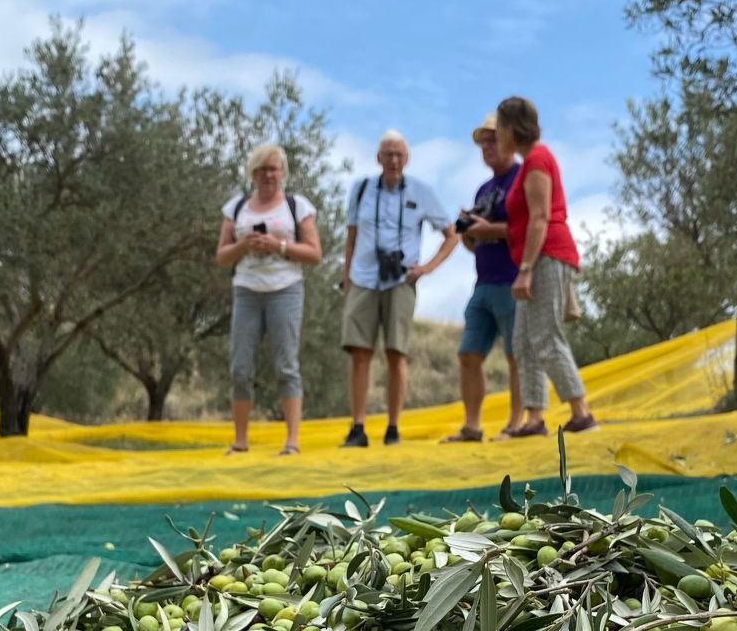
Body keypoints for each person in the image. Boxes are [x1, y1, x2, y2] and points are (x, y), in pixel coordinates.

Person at [340, 131, 456, 447]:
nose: (393, 160)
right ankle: (358, 427)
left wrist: (427, 268)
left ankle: (393, 428)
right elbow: (350, 236)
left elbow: (452, 234)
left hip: (401, 280)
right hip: (363, 278)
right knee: (359, 353)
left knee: (396, 352)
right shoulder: (361, 189)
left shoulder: (422, 191)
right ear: (378, 158)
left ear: (407, 159)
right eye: (387, 154)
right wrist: (346, 278)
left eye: (399, 155)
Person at [498, 96, 596, 437]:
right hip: (537, 257)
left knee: (545, 335)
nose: (498, 135)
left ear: (511, 128)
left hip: (546, 256)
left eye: (499, 128)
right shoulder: (531, 162)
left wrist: (526, 268)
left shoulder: (538, 160)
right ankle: (535, 417)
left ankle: (581, 412)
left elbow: (540, 217)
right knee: (523, 341)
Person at [216, 144, 321, 454]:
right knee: (240, 367)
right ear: (252, 173)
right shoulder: (235, 209)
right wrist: (244, 245)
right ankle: (240, 442)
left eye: (273, 168)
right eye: (261, 169)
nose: (267, 175)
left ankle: (292, 442)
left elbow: (314, 254)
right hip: (246, 290)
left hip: (285, 289)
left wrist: (279, 246)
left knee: (287, 365)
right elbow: (221, 257)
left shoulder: (297, 206)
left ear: (283, 172)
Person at [443, 113, 524, 443]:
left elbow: (531, 229)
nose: (487, 147)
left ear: (510, 140)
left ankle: (517, 423)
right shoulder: (484, 189)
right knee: (468, 353)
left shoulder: (522, 178)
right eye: (483, 142)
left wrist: (487, 229)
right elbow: (477, 244)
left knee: (516, 354)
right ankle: (472, 427)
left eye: (493, 140)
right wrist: (467, 231)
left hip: (513, 279)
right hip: (484, 282)